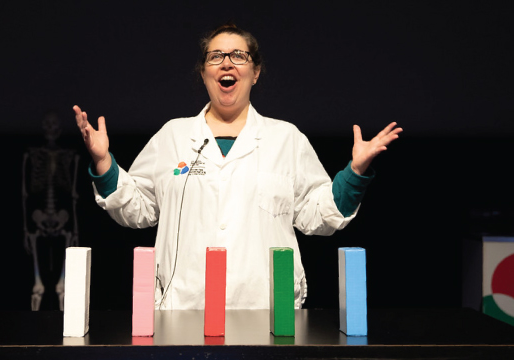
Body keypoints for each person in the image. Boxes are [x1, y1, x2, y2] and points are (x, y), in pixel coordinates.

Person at [74, 23, 402, 310]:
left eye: (238, 56)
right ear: (203, 73)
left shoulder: (285, 139)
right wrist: (104, 163)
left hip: (267, 311)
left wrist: (355, 174)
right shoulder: (173, 136)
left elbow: (318, 215)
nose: (226, 63)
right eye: (215, 56)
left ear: (255, 72)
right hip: (185, 307)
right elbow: (138, 207)